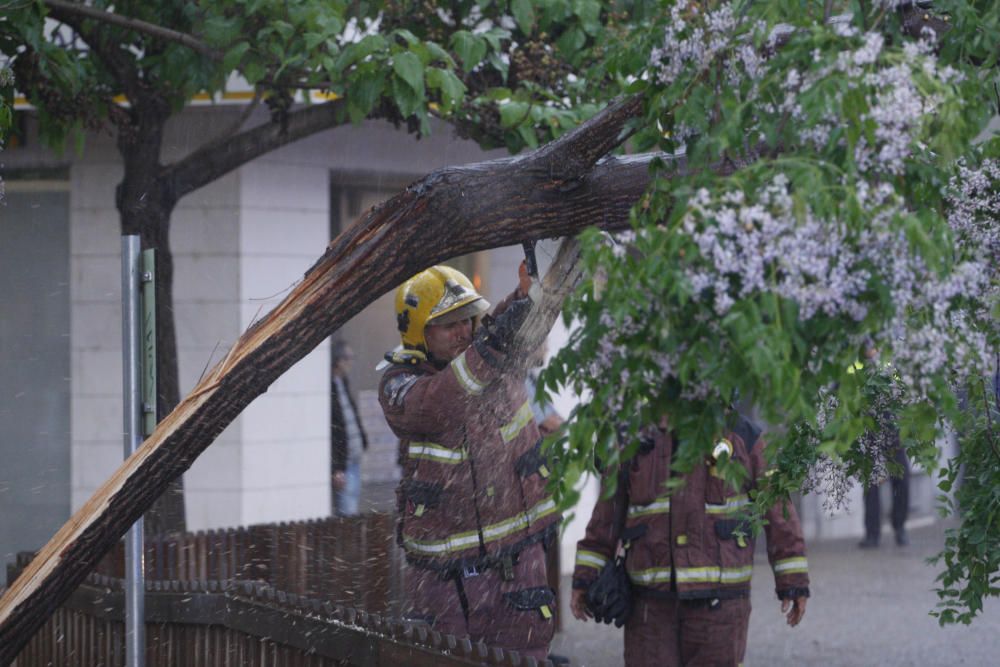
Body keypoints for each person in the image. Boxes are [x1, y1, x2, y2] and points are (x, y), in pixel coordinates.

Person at [378, 263, 560, 660]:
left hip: (516, 562)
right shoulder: (399, 385)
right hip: (444, 579)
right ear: (418, 332)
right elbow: (447, 399)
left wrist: (526, 299)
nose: (464, 331)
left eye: (468, 319)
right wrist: (494, 340)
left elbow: (522, 332)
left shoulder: (494, 354)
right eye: (449, 324)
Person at [571, 415, 810, 667]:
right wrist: (585, 578)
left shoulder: (743, 436)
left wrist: (793, 581)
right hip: (650, 607)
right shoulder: (632, 438)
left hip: (720, 608)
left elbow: (777, 508)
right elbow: (605, 518)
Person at [331, 340, 368, 517]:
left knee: (351, 506)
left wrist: (363, 440)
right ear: (339, 361)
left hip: (353, 459)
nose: (351, 362)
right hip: (343, 465)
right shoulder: (329, 388)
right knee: (347, 513)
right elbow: (334, 431)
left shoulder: (342, 383)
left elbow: (351, 417)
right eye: (348, 358)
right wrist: (335, 468)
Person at [858, 441, 910, 548]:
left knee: (902, 479)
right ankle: (872, 533)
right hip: (869, 433)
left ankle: (899, 525)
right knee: (871, 483)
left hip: (893, 433)